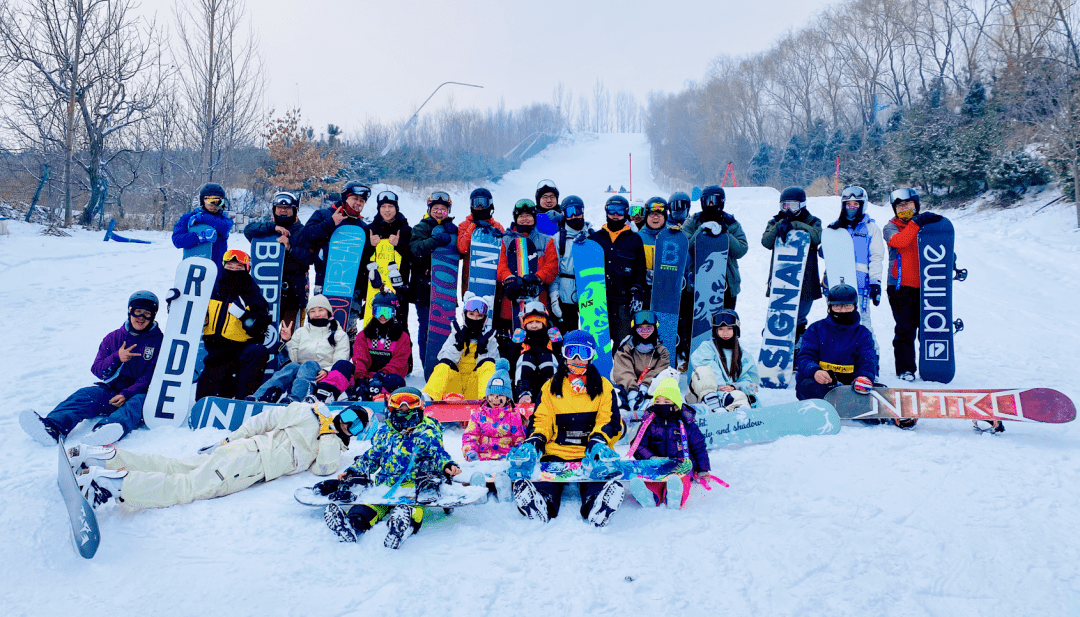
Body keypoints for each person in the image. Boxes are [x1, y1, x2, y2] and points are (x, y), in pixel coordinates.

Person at [70, 393, 366, 511]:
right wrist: (230, 439)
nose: (347, 425)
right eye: (349, 417)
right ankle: (115, 485)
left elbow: (324, 469)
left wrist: (331, 434)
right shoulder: (309, 412)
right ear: (344, 410)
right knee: (186, 487)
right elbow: (265, 420)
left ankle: (105, 458)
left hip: (243, 455)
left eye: (355, 427)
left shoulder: (331, 445)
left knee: (177, 467)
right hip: (250, 461)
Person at [510, 330, 626, 527]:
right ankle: (541, 502)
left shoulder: (604, 387)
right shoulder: (550, 386)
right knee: (547, 481)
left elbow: (611, 420)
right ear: (563, 354)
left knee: (595, 478)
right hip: (557, 451)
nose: (577, 359)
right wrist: (535, 439)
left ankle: (597, 503)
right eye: (572, 352)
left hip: (590, 452)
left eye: (583, 353)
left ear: (592, 356)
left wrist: (599, 440)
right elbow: (542, 418)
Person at [322, 387, 462, 549]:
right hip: (386, 483)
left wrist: (447, 464)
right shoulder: (386, 432)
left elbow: (437, 452)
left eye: (409, 402)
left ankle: (402, 526)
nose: (403, 407)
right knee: (370, 505)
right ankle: (351, 525)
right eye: (398, 403)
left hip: (414, 485)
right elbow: (371, 457)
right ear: (391, 406)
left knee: (411, 508)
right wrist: (354, 471)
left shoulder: (427, 431)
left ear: (419, 406)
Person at [20, 291, 163, 447]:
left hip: (141, 394)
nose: (141, 318)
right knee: (86, 394)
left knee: (136, 403)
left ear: (153, 316)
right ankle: (53, 428)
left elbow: (151, 374)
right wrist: (116, 358)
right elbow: (98, 370)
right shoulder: (114, 338)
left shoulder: (160, 341)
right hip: (113, 392)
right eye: (138, 312)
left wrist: (127, 393)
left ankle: (106, 429)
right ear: (130, 310)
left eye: (147, 314)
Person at [793, 284, 893, 422]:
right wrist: (815, 371)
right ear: (830, 307)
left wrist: (864, 377)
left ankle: (897, 415)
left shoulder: (863, 333)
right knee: (806, 387)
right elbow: (805, 356)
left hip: (852, 383)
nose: (842, 310)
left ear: (854, 306)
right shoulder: (816, 329)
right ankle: (859, 408)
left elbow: (868, 359)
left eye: (847, 306)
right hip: (822, 382)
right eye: (837, 306)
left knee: (881, 391)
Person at [196, 250, 273, 401]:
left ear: (247, 269)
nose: (233, 270)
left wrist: (245, 317)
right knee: (204, 400)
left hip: (241, 356)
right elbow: (192, 314)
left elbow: (261, 331)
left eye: (238, 267)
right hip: (216, 356)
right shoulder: (211, 291)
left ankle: (245, 400)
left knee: (258, 351)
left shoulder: (254, 297)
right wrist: (177, 304)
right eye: (230, 266)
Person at [883, 187, 943, 382]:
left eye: (908, 204)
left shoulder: (924, 227)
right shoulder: (890, 227)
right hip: (900, 286)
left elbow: (939, 248)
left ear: (916, 204)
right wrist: (916, 223)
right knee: (905, 328)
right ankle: (905, 369)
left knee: (928, 328)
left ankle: (932, 364)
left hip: (927, 285)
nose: (904, 208)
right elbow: (900, 242)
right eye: (900, 206)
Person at [625, 378, 711, 509]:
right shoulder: (649, 423)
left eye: (666, 402)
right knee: (652, 480)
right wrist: (651, 458)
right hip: (657, 465)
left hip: (681, 465)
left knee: (680, 480)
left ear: (676, 406)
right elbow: (638, 445)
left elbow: (698, 447)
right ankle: (650, 496)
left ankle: (674, 496)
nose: (661, 405)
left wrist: (703, 470)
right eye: (657, 401)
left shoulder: (686, 424)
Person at [249, 295, 349, 403]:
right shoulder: (301, 332)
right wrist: (287, 340)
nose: (317, 314)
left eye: (321, 310)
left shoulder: (339, 335)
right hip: (301, 370)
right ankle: (260, 396)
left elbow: (341, 360)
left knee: (309, 364)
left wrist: (327, 370)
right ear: (309, 315)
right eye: (313, 311)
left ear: (328, 312)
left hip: (324, 373)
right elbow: (294, 359)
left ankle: (295, 399)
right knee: (291, 366)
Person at [497, 198, 557, 362]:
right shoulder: (506, 240)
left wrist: (537, 277)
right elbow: (500, 265)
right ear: (515, 218)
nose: (525, 219)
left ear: (535, 218)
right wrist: (509, 279)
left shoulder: (546, 240)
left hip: (538, 297)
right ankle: (510, 369)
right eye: (521, 216)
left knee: (537, 337)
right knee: (511, 339)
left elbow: (552, 266)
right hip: (512, 299)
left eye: (529, 215)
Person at [761, 187, 822, 347]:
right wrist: (781, 224)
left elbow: (816, 237)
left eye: (793, 206)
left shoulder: (813, 221)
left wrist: (795, 224)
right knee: (781, 313)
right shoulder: (775, 221)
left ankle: (798, 347)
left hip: (805, 279)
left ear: (802, 205)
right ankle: (778, 345)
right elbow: (766, 241)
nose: (788, 209)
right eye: (785, 206)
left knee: (800, 316)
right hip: (782, 276)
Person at [243, 191, 311, 329]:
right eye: (279, 208)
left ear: (294, 210)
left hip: (294, 292)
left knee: (290, 336)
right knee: (265, 331)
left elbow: (309, 258)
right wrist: (273, 227)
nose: (283, 211)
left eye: (287, 208)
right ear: (274, 209)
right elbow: (248, 230)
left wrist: (290, 248)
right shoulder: (267, 229)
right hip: (268, 288)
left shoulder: (303, 232)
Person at [409, 190, 459, 369]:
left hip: (445, 287)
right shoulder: (421, 227)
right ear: (429, 209)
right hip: (423, 287)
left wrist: (456, 238)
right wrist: (435, 240)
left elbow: (459, 255)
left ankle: (444, 364)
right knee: (426, 327)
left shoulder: (452, 229)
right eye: (435, 208)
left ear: (448, 210)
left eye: (443, 209)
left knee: (444, 327)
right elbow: (416, 249)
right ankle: (427, 363)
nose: (439, 211)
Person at [589, 195, 647, 349]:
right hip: (600, 301)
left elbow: (640, 269)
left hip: (623, 301)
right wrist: (582, 244)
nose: (615, 214)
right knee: (600, 345)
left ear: (626, 212)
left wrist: (637, 291)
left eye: (620, 210)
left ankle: (622, 372)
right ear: (606, 211)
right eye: (611, 210)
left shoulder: (634, 239)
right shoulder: (595, 237)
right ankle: (599, 372)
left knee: (623, 344)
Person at [294, 181, 369, 296]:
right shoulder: (323, 215)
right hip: (325, 282)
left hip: (352, 287)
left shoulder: (363, 227)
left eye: (362, 201)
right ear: (345, 198)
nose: (358, 203)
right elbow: (306, 235)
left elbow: (366, 259)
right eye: (355, 198)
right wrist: (330, 223)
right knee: (320, 314)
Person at [827, 186, 884, 333]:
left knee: (862, 321)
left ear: (862, 205)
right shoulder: (837, 228)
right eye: (848, 204)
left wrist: (875, 282)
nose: (851, 207)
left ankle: (869, 353)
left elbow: (876, 257)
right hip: (839, 282)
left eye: (855, 204)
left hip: (860, 284)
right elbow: (829, 256)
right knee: (836, 320)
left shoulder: (871, 228)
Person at [423, 292, 500, 401]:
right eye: (471, 315)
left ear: (485, 318)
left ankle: (487, 400)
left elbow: (495, 370)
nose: (475, 319)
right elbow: (442, 360)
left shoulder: (490, 339)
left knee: (488, 364)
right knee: (445, 364)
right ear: (465, 315)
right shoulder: (456, 334)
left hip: (476, 390)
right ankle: (428, 397)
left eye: (479, 316)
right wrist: (458, 346)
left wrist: (483, 353)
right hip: (454, 390)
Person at [683, 186, 749, 310]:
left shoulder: (731, 223)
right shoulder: (693, 221)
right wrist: (701, 230)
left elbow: (741, 250)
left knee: (724, 321)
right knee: (699, 321)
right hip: (699, 279)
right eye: (707, 201)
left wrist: (725, 233)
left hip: (726, 282)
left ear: (722, 202)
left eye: (715, 201)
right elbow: (687, 248)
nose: (711, 205)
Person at [688, 309, 759, 409]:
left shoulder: (743, 356)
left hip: (729, 396)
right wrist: (720, 386)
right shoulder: (707, 347)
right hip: (704, 394)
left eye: (729, 329)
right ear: (715, 331)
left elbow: (751, 383)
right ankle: (713, 404)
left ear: (735, 330)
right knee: (703, 370)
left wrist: (734, 387)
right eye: (721, 329)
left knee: (740, 396)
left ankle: (739, 414)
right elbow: (704, 365)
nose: (725, 333)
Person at [361, 190, 412, 330]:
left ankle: (402, 352)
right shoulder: (369, 229)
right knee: (373, 324)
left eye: (390, 206)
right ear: (378, 209)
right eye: (383, 207)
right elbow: (362, 261)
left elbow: (413, 257)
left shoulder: (405, 230)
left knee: (400, 327)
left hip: (399, 287)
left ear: (396, 208)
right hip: (374, 286)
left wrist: (400, 245)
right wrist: (370, 246)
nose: (387, 210)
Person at [462, 359, 528, 462]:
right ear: (487, 397)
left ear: (508, 398)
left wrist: (518, 455)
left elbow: (519, 440)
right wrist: (471, 452)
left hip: (506, 460)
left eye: (500, 395)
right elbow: (470, 437)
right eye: (491, 395)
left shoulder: (514, 416)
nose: (495, 399)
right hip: (481, 460)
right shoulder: (477, 416)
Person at [350, 292, 411, 401]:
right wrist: (361, 380)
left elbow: (399, 363)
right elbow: (360, 359)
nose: (382, 317)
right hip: (365, 378)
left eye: (387, 312)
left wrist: (380, 375)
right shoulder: (364, 335)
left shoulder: (402, 337)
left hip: (386, 378)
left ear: (393, 313)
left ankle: (376, 395)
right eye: (378, 312)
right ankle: (328, 393)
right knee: (344, 366)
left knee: (398, 381)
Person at [612, 310, 670, 419]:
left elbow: (659, 372)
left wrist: (644, 388)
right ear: (634, 329)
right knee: (616, 391)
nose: (645, 332)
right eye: (640, 328)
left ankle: (658, 416)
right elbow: (624, 372)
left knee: (668, 383)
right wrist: (632, 393)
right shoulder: (626, 349)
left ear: (655, 328)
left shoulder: (662, 351)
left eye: (649, 328)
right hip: (628, 389)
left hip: (651, 388)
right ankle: (623, 415)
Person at [548, 195, 592, 333]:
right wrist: (554, 297)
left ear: (583, 212)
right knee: (568, 332)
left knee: (588, 331)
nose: (573, 216)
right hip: (564, 294)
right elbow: (554, 271)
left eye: (577, 211)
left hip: (588, 293)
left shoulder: (592, 237)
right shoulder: (557, 239)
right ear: (563, 214)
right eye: (569, 212)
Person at [172, 183, 234, 271]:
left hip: (216, 269)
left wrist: (201, 217)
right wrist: (199, 237)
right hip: (191, 267)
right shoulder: (187, 218)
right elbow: (177, 241)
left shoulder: (225, 220)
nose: (213, 205)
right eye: (210, 201)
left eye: (218, 202)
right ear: (202, 200)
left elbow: (224, 227)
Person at [510, 302, 563, 405]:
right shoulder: (521, 337)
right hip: (528, 378)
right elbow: (511, 358)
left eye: (538, 322)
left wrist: (557, 343)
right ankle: (523, 393)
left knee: (548, 357)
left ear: (544, 323)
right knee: (526, 357)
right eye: (530, 323)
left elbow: (560, 357)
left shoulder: (551, 337)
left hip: (547, 376)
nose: (534, 326)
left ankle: (552, 391)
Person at [456, 188, 505, 297]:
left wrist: (501, 238)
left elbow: (504, 254)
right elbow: (462, 248)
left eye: (483, 203)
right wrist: (473, 226)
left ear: (490, 205)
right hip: (471, 281)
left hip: (492, 282)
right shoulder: (464, 225)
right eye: (476, 203)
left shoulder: (497, 227)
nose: (479, 207)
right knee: (472, 313)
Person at [637, 196, 668, 306]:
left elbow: (685, 264)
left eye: (659, 214)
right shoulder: (637, 238)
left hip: (667, 293)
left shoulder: (674, 238)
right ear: (646, 216)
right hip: (644, 293)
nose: (656, 217)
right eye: (651, 214)